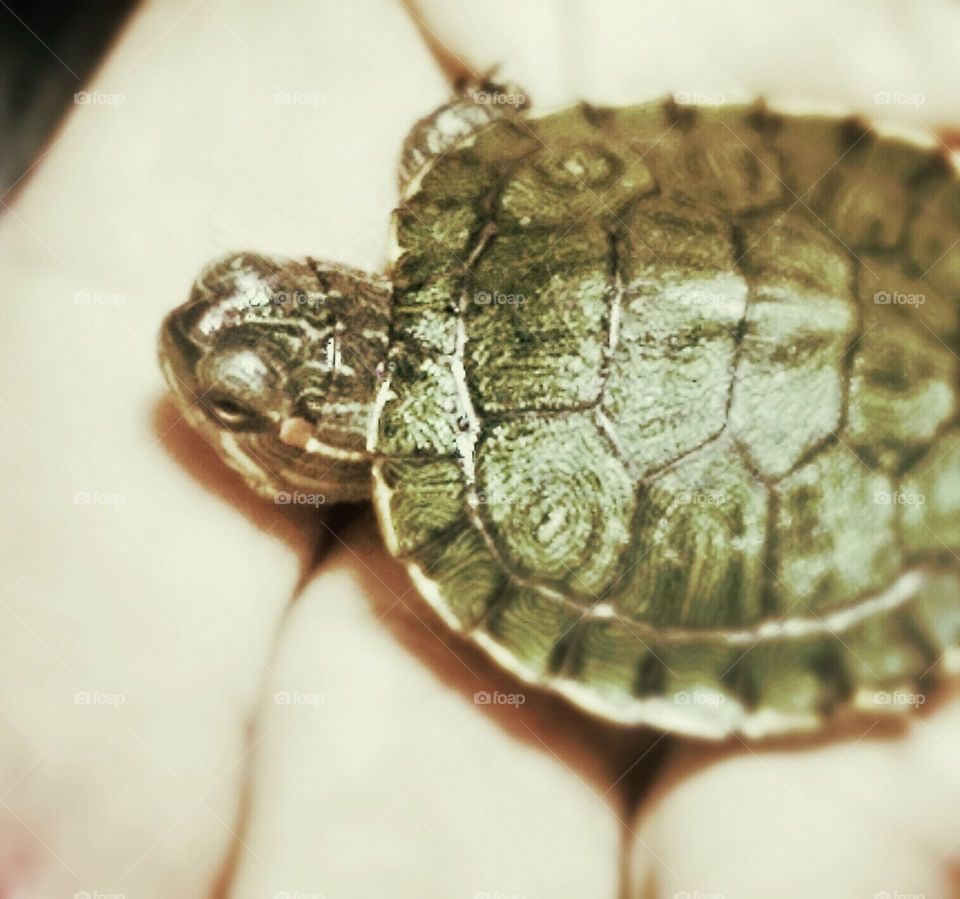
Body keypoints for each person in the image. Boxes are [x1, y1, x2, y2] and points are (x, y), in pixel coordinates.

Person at [1, 0, 959, 896]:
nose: (195, 325)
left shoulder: (470, 550)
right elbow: (471, 132)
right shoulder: (464, 178)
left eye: (234, 399)